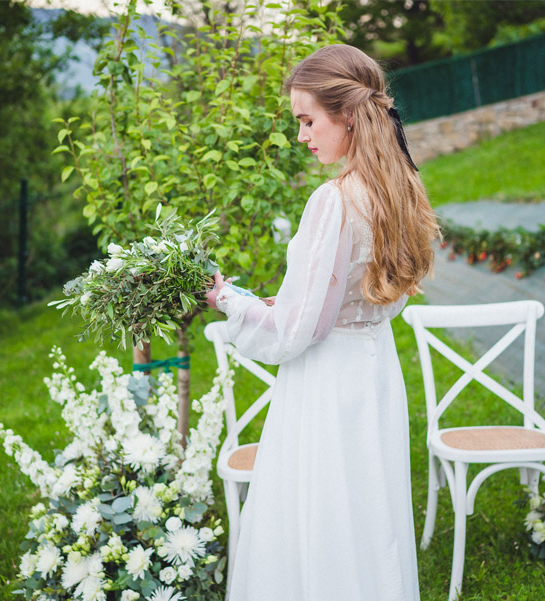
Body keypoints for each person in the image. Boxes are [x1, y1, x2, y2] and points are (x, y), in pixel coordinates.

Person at [205, 44, 439, 600]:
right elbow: (353, 300)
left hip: (328, 382)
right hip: (374, 368)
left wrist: (228, 300)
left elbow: (294, 331)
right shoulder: (400, 188)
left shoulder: (334, 200)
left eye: (308, 120)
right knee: (367, 514)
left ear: (349, 114)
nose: (303, 136)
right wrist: (282, 304)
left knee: (323, 514)